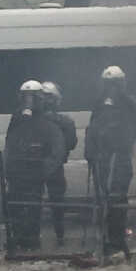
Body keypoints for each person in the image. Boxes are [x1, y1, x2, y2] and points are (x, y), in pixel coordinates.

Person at [84, 65, 136, 258]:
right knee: (103, 198)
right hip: (103, 158)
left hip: (119, 158)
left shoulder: (130, 104)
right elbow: (92, 129)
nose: (111, 89)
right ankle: (106, 238)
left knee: (117, 198)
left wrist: (117, 139)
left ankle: (117, 240)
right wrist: (90, 151)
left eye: (114, 85)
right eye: (108, 85)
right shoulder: (99, 104)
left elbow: (135, 129)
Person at [0, 79, 60, 252]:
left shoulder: (46, 119)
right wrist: (8, 165)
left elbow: (52, 142)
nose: (29, 101)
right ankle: (17, 237)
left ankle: (31, 240)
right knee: (15, 205)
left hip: (35, 167)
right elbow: (10, 140)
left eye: (32, 97)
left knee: (33, 205)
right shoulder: (17, 118)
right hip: (17, 167)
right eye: (25, 97)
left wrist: (45, 165)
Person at [41, 81, 78, 244]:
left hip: (47, 166)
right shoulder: (64, 121)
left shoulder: (63, 121)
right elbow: (71, 143)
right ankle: (58, 236)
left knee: (51, 202)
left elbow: (70, 143)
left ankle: (56, 236)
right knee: (55, 203)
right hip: (50, 166)